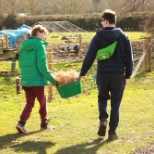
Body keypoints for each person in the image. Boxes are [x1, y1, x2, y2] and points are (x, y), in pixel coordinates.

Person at [80, 9, 133, 141]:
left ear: (106, 21)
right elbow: (129, 59)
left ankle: (103, 119)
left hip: (103, 75)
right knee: (116, 104)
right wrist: (127, 75)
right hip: (118, 76)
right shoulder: (124, 37)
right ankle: (112, 132)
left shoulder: (98, 37)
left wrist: (82, 72)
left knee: (102, 98)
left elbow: (89, 57)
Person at [16, 25, 57, 133]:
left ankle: (21, 123)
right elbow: (42, 66)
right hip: (37, 80)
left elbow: (20, 63)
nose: (45, 37)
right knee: (43, 102)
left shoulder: (24, 45)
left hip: (25, 79)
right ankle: (44, 124)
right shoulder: (39, 45)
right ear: (38, 32)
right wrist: (53, 80)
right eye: (45, 34)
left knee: (30, 103)